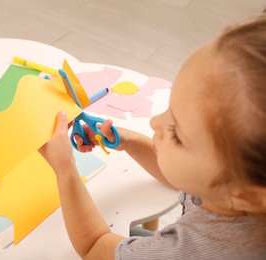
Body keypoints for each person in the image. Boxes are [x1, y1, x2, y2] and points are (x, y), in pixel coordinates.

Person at [38, 14, 266, 260]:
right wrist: (131, 143)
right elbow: (184, 179)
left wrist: (64, 168)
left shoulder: (179, 252)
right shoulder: (235, 189)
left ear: (247, 196)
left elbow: (94, 246)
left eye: (177, 135)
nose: (154, 123)